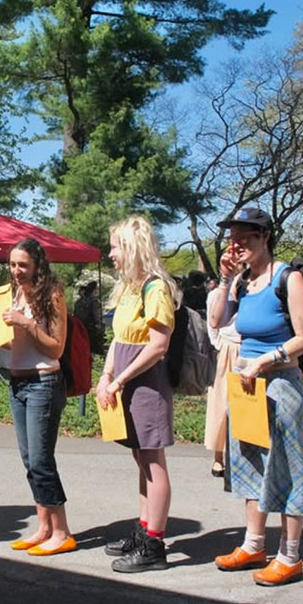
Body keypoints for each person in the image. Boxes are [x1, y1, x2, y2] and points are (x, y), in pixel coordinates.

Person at [208, 207, 303, 586]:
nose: (237, 245)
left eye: (246, 238)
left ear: (266, 237)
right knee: (249, 463)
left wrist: (266, 361)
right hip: (247, 385)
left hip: (280, 384)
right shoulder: (243, 282)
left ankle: (290, 555)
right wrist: (224, 280)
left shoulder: (289, 279)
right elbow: (218, 322)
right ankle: (254, 544)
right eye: (233, 238)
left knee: (285, 467)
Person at [0, 237, 74, 555]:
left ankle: (62, 532)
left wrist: (27, 323)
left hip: (44, 383)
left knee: (42, 461)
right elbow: (14, 346)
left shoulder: (53, 294)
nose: (16, 271)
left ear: (37, 266)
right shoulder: (13, 294)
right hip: (17, 385)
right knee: (30, 461)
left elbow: (56, 347)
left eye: (23, 265)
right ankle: (43, 527)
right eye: (12, 264)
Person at [96, 216, 177, 574]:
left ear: (132, 248)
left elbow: (158, 346)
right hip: (128, 385)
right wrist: (106, 376)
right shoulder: (130, 287)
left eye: (115, 246)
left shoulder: (155, 288)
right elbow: (120, 339)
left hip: (147, 386)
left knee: (153, 462)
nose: (111, 253)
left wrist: (120, 379)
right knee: (141, 460)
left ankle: (154, 544)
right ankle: (144, 528)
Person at [204, 247, 242, 479]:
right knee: (220, 405)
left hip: (249, 348)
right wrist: (220, 346)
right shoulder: (217, 292)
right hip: (226, 348)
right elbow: (212, 324)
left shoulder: (253, 287)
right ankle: (218, 457)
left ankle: (240, 455)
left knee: (245, 407)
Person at [74, 280, 104, 354]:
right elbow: (98, 316)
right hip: (92, 330)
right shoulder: (94, 301)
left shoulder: (79, 302)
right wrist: (100, 329)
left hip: (81, 329)